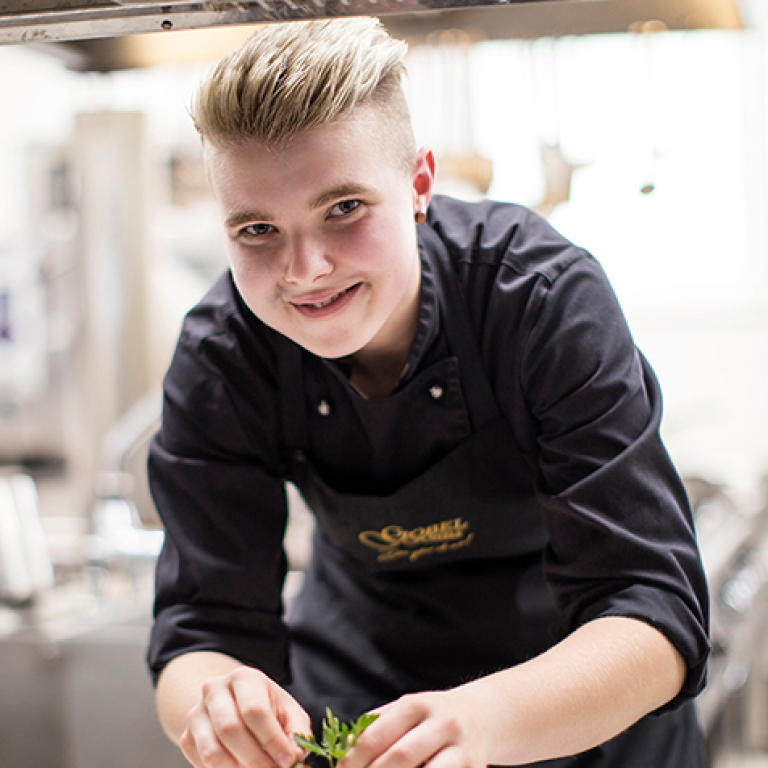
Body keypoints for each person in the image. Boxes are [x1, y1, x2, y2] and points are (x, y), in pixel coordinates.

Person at [147, 16, 710, 768]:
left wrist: (484, 720)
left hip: (589, 716)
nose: (305, 269)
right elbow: (200, 632)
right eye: (256, 230)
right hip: (363, 708)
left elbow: (654, 611)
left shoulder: (539, 297)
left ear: (418, 184)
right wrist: (221, 704)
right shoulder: (224, 354)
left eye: (343, 209)